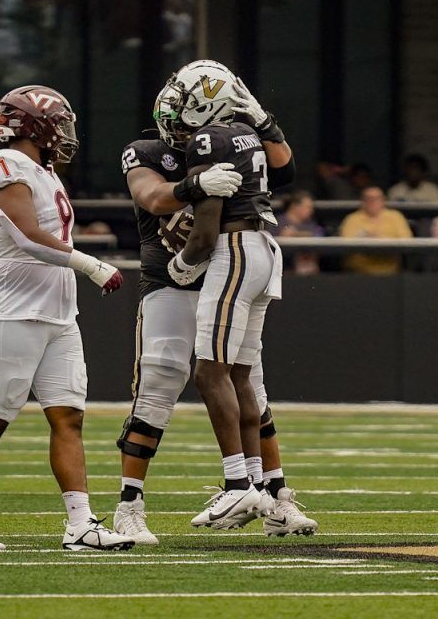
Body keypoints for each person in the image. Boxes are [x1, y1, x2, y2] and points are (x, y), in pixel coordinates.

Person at [115, 66, 316, 544]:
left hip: (222, 275)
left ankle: (273, 496)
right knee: (158, 388)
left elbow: (285, 168)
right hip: (170, 280)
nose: (176, 126)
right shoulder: (146, 152)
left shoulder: (225, 141)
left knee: (251, 387)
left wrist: (265, 123)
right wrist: (194, 186)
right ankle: (129, 505)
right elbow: (151, 196)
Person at [0, 85, 133, 552]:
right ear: (33, 127)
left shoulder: (44, 171)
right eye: (58, 123)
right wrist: (91, 265)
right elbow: (27, 236)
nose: (65, 133)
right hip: (14, 306)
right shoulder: (4, 162)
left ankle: (80, 524)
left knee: (69, 417)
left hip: (57, 308)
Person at [164, 61, 290, 531]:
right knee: (239, 372)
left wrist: (183, 264)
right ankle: (255, 484)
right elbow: (287, 168)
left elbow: (206, 228)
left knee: (209, 371)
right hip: (264, 248)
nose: (177, 112)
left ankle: (237, 485)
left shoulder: (207, 139)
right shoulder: (245, 133)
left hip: (235, 250)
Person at [338, 187, 414, 275]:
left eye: (377, 198)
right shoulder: (352, 219)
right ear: (363, 202)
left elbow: (407, 240)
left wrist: (381, 240)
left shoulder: (396, 217)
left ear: (383, 201)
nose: (373, 202)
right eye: (368, 199)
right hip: (358, 273)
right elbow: (346, 243)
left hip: (391, 272)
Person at [277, 191, 325, 275]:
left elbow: (319, 235)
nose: (311, 211)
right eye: (308, 207)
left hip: (308, 271)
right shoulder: (278, 222)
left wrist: (296, 234)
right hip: (282, 268)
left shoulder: (310, 223)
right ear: (295, 206)